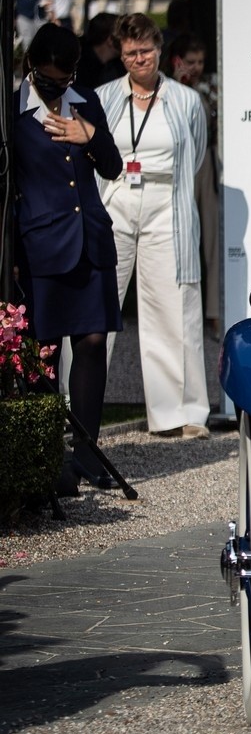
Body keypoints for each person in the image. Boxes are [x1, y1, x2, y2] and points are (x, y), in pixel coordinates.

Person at [13, 24, 124, 492]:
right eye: (51, 79)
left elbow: (113, 165)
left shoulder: (85, 101)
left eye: (67, 77)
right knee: (46, 351)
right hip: (40, 244)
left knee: (94, 341)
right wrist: (13, 257)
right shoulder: (13, 111)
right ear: (32, 68)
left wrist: (90, 134)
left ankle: (88, 454)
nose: (60, 86)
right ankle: (48, 458)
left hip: (90, 238)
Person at [96, 13, 210, 439]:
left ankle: (178, 413)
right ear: (120, 53)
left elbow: (194, 155)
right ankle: (77, 407)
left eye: (145, 50)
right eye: (130, 52)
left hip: (167, 204)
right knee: (98, 302)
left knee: (172, 305)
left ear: (160, 50)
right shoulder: (104, 97)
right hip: (115, 199)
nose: (138, 59)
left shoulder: (185, 100)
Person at [166, 33, 221, 330]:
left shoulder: (209, 85)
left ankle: (212, 309)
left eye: (200, 61)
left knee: (210, 235)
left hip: (206, 162)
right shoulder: (166, 87)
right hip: (177, 163)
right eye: (190, 61)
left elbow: (214, 119)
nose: (196, 67)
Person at [76, 12, 126, 89]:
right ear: (110, 40)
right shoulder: (78, 67)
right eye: (123, 36)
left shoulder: (120, 66)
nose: (128, 41)